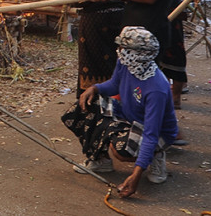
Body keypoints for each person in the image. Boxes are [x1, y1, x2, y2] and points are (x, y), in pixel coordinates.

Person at [62, 26, 179, 196]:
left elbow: (151, 133)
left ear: (139, 54)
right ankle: (100, 159)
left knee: (121, 150)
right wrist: (95, 88)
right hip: (129, 117)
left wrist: (135, 175)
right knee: (86, 107)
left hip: (155, 132)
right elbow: (115, 84)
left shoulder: (156, 89)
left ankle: (156, 156)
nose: (120, 51)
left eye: (124, 48)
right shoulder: (126, 62)